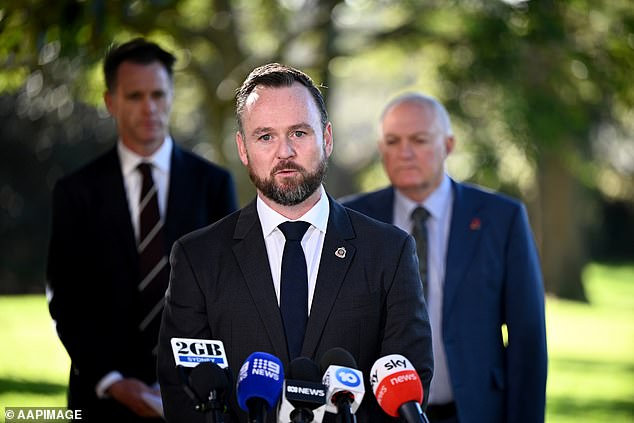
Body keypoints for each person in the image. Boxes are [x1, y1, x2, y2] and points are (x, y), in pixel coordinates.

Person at [157, 63, 433, 422]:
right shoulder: (198, 258)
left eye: (299, 133)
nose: (284, 151)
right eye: (265, 136)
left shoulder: (389, 252)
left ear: (327, 138)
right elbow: (184, 391)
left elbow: (410, 383)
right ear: (243, 148)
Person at [46, 38, 238, 422]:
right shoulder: (76, 192)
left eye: (158, 94)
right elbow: (66, 298)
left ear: (170, 96)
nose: (149, 107)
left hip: (197, 398)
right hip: (101, 400)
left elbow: (230, 292)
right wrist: (113, 380)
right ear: (110, 102)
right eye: (135, 96)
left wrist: (196, 381)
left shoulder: (213, 184)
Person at [342, 93, 548, 423]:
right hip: (377, 413)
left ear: (449, 144)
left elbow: (528, 338)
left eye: (419, 140)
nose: (405, 152)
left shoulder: (501, 218)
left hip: (473, 412)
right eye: (392, 141)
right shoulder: (350, 218)